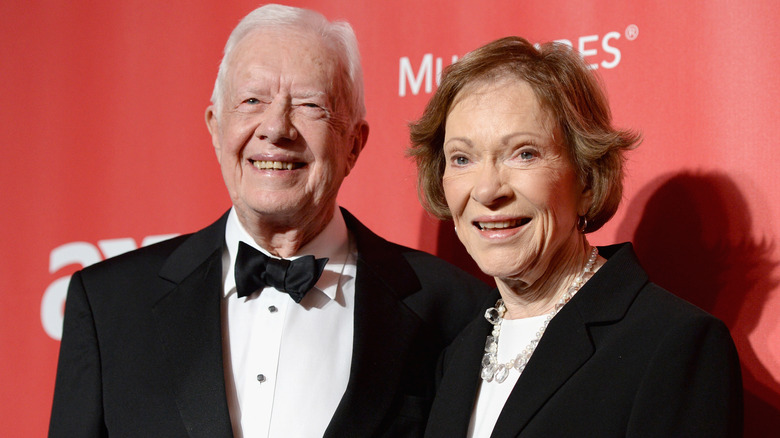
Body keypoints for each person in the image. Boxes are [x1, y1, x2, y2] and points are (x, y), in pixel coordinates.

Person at [48, 4, 490, 437]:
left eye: (309, 105)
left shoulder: (453, 311)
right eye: (252, 100)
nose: (276, 127)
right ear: (215, 128)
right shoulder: (110, 305)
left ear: (353, 144)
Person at [408, 36, 743, 437]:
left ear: (586, 178)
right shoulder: (457, 355)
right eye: (462, 158)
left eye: (524, 154)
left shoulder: (673, 344)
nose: (486, 191)